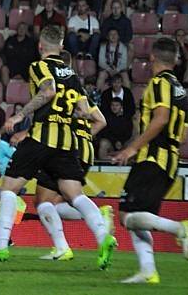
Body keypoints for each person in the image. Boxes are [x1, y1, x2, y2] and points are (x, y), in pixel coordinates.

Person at [0, 25, 117, 267]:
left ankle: (0, 247)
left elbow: (48, 90)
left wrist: (20, 115)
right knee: (75, 195)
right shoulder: (72, 75)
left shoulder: (39, 66)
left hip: (42, 137)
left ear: (40, 46)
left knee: (9, 188)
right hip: (66, 143)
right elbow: (84, 110)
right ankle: (103, 237)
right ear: (61, 47)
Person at [113, 37, 188, 284]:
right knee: (141, 217)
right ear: (176, 60)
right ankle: (148, 271)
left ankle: (180, 229)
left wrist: (132, 148)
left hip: (152, 157)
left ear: (152, 57)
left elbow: (161, 118)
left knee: (126, 215)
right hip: (170, 161)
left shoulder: (159, 82)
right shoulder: (181, 91)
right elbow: (184, 135)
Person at [33, 89, 110, 260]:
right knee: (59, 201)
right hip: (87, 153)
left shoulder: (57, 92)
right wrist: (84, 136)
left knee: (43, 201)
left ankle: (63, 247)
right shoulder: (81, 94)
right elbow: (101, 121)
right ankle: (95, 220)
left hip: (67, 150)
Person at [1, 22, 37, 89]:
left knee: (33, 71)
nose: (21, 30)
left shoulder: (31, 42)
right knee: (4, 69)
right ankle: (7, 90)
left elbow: (34, 56)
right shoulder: (10, 40)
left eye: (23, 28)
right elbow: (4, 53)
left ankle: (31, 92)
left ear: (26, 31)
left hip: (26, 66)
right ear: (17, 29)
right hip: (12, 65)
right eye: (20, 28)